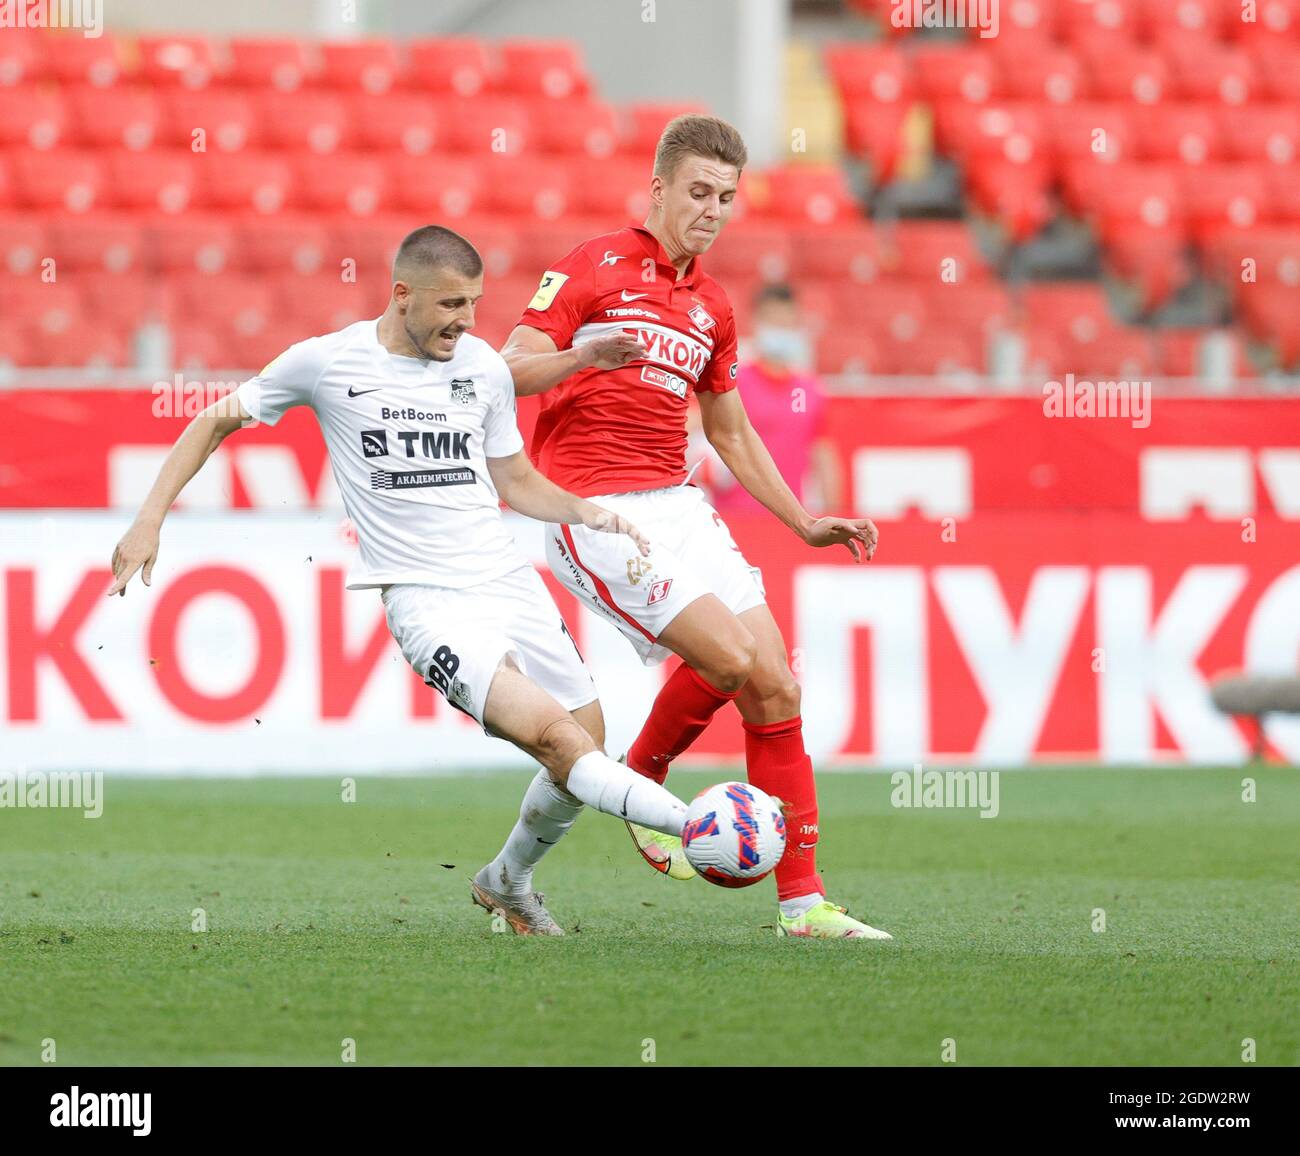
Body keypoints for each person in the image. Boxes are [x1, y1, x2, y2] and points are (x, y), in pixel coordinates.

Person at [107, 225, 692, 937]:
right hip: (427, 600)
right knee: (560, 745)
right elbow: (213, 421)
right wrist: (148, 521)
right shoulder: (327, 362)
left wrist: (588, 512)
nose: (465, 321)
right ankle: (694, 824)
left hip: (507, 580)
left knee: (587, 747)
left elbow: (513, 478)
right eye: (450, 304)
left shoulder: (479, 365)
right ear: (402, 294)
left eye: (474, 303)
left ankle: (506, 881)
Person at [501, 115, 891, 940]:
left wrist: (804, 520)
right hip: (594, 511)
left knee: (776, 685)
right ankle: (643, 779)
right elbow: (508, 365)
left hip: (679, 505)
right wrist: (580, 357)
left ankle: (802, 904)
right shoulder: (592, 265)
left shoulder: (712, 305)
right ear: (658, 190)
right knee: (731, 656)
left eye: (726, 197)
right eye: (698, 192)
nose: (712, 210)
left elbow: (732, 431)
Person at [710, 282, 843, 517]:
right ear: (757, 322)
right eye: (772, 320)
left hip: (791, 518)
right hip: (736, 516)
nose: (779, 328)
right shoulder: (733, 381)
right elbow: (692, 426)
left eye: (785, 320)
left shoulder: (808, 389)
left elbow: (822, 455)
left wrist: (835, 516)